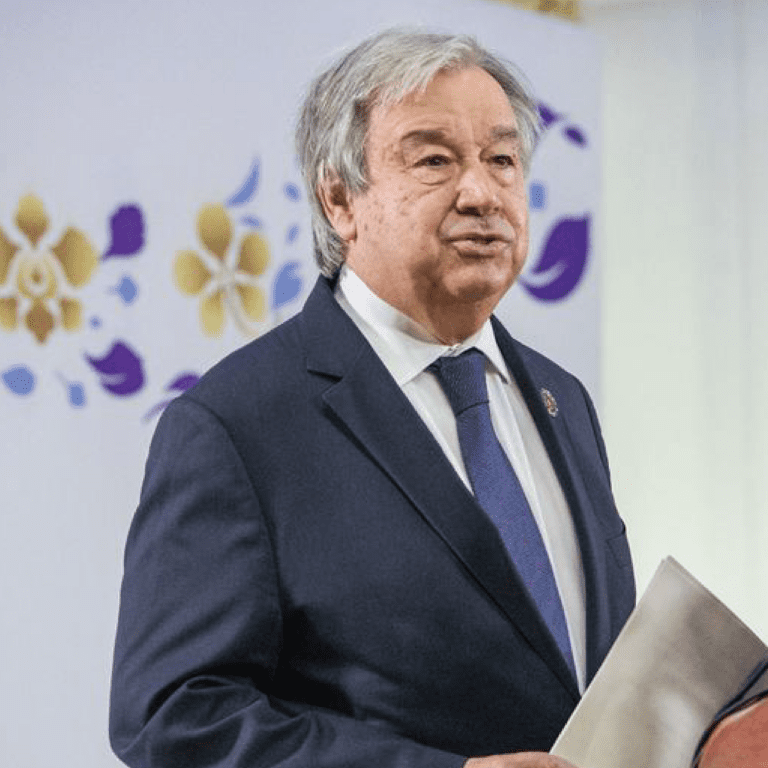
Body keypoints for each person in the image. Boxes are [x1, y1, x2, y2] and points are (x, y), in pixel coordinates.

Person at [109, 28, 635, 768]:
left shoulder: (561, 398)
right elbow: (175, 717)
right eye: (434, 160)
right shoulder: (237, 424)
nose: (482, 193)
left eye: (502, 159)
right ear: (338, 199)